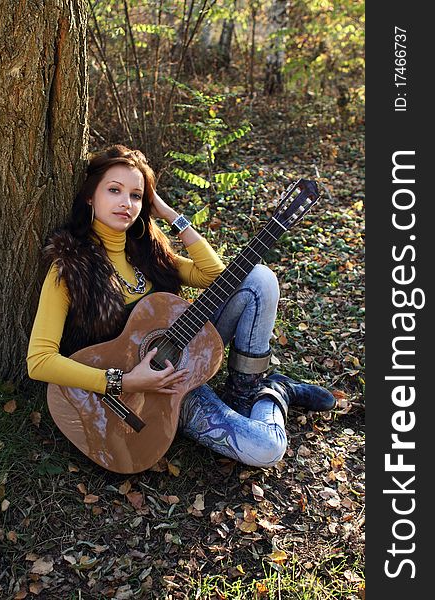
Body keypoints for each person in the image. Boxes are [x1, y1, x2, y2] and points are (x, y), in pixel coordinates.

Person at [27, 145, 335, 469]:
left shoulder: (147, 250)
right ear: (90, 196)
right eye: (114, 190)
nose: (125, 203)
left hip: (185, 359)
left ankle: (244, 392)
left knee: (258, 279)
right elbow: (39, 361)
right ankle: (275, 392)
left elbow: (215, 275)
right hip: (154, 394)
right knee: (267, 448)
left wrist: (172, 215)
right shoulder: (70, 268)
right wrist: (126, 382)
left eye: (136, 195)